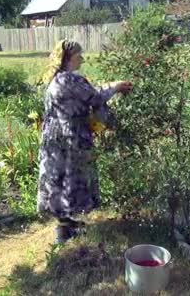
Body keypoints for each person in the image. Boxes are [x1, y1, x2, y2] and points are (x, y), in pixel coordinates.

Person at [37, 40, 133, 244]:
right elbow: (95, 97)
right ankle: (63, 232)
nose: (82, 58)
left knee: (59, 179)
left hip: (54, 137)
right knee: (69, 178)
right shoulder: (69, 80)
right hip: (69, 137)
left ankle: (67, 223)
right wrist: (115, 87)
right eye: (79, 55)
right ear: (70, 58)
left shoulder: (57, 79)